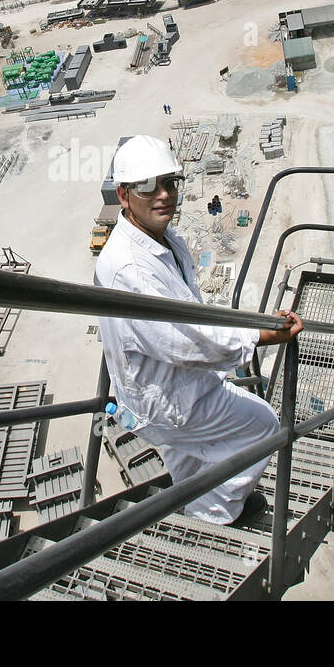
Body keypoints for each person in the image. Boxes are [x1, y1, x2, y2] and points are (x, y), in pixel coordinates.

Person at [96, 136, 304, 526]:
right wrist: (262, 335)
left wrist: (246, 327)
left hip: (162, 390)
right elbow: (184, 341)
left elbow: (189, 315)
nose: (163, 195)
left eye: (169, 183)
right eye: (147, 186)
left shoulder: (162, 239)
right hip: (168, 399)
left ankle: (192, 504)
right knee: (262, 427)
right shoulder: (131, 269)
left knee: (187, 456)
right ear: (124, 195)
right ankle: (215, 513)